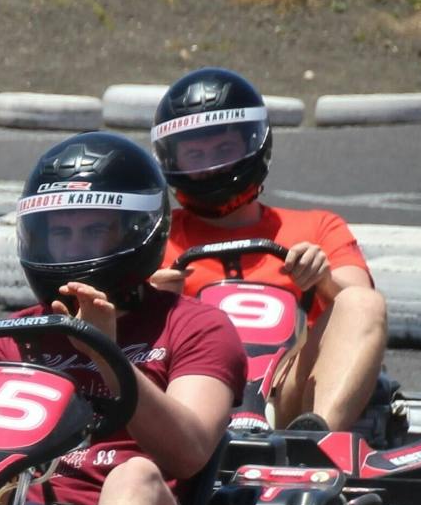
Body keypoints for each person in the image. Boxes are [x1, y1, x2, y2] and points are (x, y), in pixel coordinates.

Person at [0, 132, 245, 505]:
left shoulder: (195, 326)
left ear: (137, 232)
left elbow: (188, 453)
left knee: (136, 475)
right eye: (61, 233)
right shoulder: (11, 336)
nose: (76, 251)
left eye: (94, 230)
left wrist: (105, 352)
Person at [154, 66, 387, 433]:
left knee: (362, 301)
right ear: (171, 160)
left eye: (223, 149)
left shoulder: (317, 227)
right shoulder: (156, 237)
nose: (210, 166)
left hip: (287, 394)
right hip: (183, 393)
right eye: (194, 154)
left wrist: (321, 280)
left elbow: (361, 305)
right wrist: (147, 302)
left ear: (253, 144)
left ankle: (314, 440)